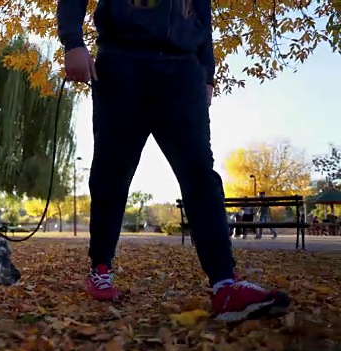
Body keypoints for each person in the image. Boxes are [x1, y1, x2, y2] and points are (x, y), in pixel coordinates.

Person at [56, 0, 290, 322]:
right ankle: (100, 268)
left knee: (200, 176)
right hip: (122, 63)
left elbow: (202, 19)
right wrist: (73, 40)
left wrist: (207, 74)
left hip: (183, 73)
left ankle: (224, 284)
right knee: (112, 173)